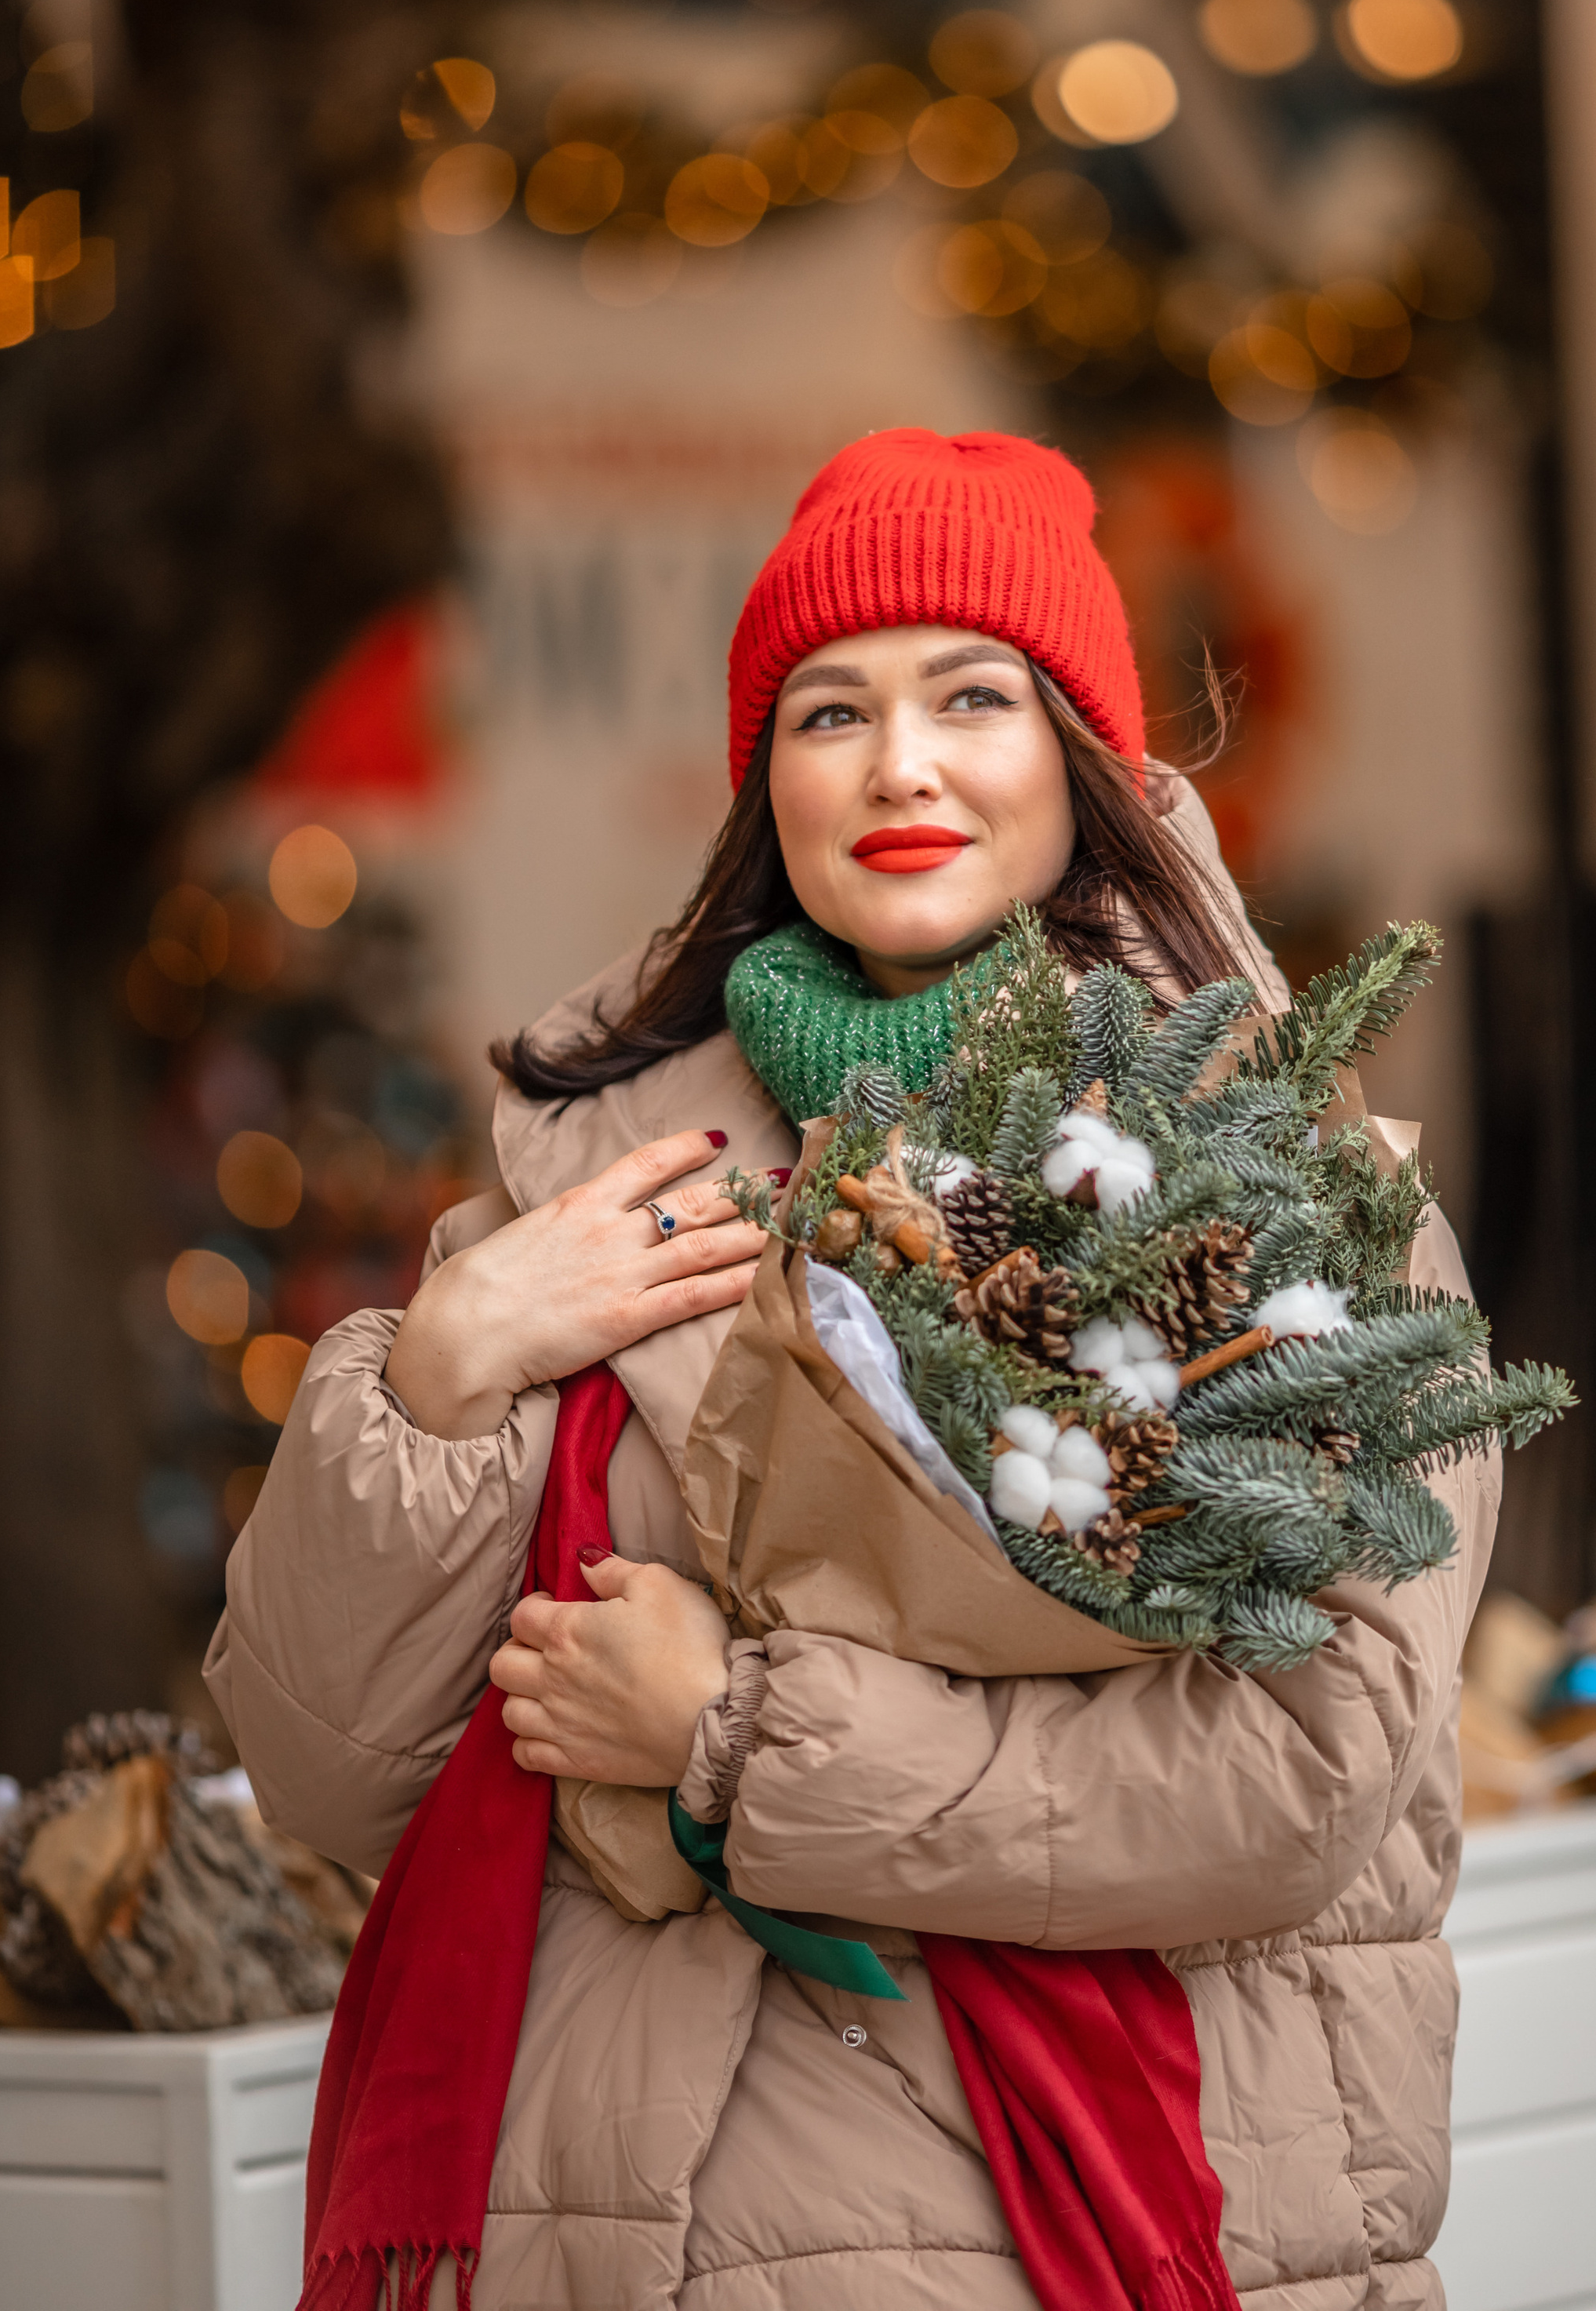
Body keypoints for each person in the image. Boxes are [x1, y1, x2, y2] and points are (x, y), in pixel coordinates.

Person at [209, 426, 1498, 2311]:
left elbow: (1300, 1781)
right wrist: (443, 1379)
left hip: (1092, 2224)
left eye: (969, 696)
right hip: (617, 2231)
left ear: (1077, 754)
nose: (897, 763)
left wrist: (730, 1740)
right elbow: (330, 1781)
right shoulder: (593, 1185)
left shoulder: (1275, 1178)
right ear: (765, 781)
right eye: (828, 712)